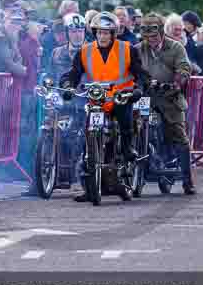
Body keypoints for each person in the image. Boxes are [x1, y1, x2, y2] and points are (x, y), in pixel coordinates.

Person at [60, 11, 150, 202]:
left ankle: (127, 151)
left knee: (126, 124)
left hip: (121, 98)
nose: (102, 36)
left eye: (106, 33)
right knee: (88, 141)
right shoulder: (85, 51)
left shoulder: (127, 49)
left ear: (113, 34)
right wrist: (68, 86)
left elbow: (141, 74)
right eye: (99, 32)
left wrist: (138, 89)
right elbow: (73, 74)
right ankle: (90, 186)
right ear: (95, 33)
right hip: (97, 100)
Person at [136, 13, 196, 194]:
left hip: (169, 98)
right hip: (145, 99)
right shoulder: (138, 49)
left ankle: (188, 180)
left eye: (154, 36)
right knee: (130, 127)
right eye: (147, 36)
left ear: (162, 32)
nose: (151, 40)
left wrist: (176, 83)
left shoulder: (176, 47)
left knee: (179, 136)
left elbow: (185, 68)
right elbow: (128, 68)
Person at [50, 13, 86, 79]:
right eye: (73, 31)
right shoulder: (56, 53)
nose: (78, 35)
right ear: (67, 33)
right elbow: (51, 77)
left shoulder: (94, 52)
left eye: (80, 31)